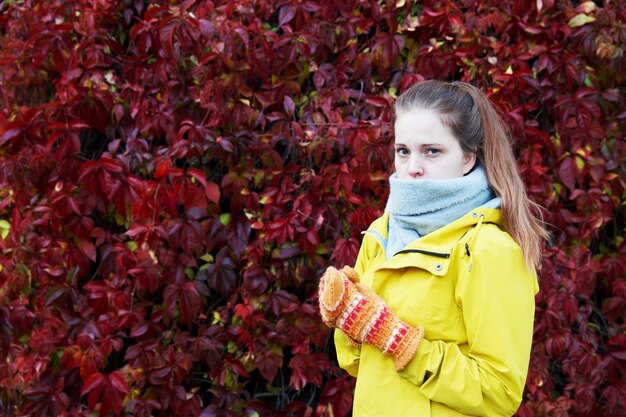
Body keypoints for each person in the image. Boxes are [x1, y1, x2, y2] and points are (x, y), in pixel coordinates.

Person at [318, 80, 548, 416]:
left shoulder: (487, 250)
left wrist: (403, 344)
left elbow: (500, 391)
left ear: (468, 157)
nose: (413, 167)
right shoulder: (383, 233)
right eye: (403, 151)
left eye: (432, 151)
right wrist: (348, 325)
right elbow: (356, 364)